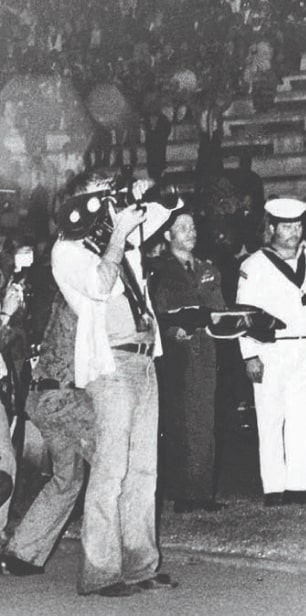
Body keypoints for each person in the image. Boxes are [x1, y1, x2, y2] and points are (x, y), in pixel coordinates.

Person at [52, 174, 177, 596]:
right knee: (110, 470)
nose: (112, 200)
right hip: (111, 365)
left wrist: (153, 193)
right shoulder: (67, 250)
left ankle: (141, 565)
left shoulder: (116, 236)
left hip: (143, 361)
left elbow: (166, 210)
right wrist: (120, 233)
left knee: (144, 470)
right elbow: (100, 286)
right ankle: (100, 572)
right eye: (105, 194)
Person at [237, 197, 306, 506]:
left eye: (297, 226)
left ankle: (298, 486)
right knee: (271, 419)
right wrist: (249, 354)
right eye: (286, 227)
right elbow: (244, 313)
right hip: (272, 348)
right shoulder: (253, 264)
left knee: (305, 418)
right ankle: (273, 488)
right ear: (271, 229)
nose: (293, 232)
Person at [1, 288, 97, 576]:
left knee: (68, 478)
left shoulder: (61, 294)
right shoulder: (83, 292)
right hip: (65, 398)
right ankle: (113, 562)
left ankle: (23, 554)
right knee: (116, 466)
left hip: (43, 395)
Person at [149, 210, 225, 512]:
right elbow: (153, 312)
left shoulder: (208, 269)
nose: (190, 233)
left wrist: (220, 317)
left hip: (205, 350)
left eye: (192, 227)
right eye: (182, 228)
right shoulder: (159, 271)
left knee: (205, 420)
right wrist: (170, 330)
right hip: (175, 353)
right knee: (177, 419)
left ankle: (202, 492)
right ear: (168, 236)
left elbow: (218, 307)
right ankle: (181, 491)